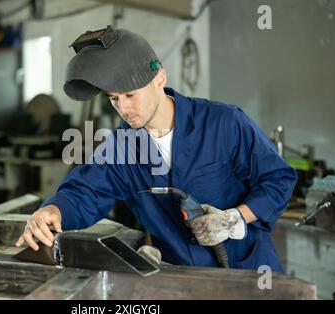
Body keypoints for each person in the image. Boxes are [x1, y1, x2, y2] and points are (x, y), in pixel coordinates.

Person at [16, 25, 297, 271]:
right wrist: (53, 209)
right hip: (181, 283)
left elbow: (278, 179)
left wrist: (235, 218)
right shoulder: (122, 147)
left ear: (159, 78)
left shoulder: (223, 123)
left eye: (130, 95)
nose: (123, 108)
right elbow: (86, 190)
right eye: (114, 99)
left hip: (248, 276)